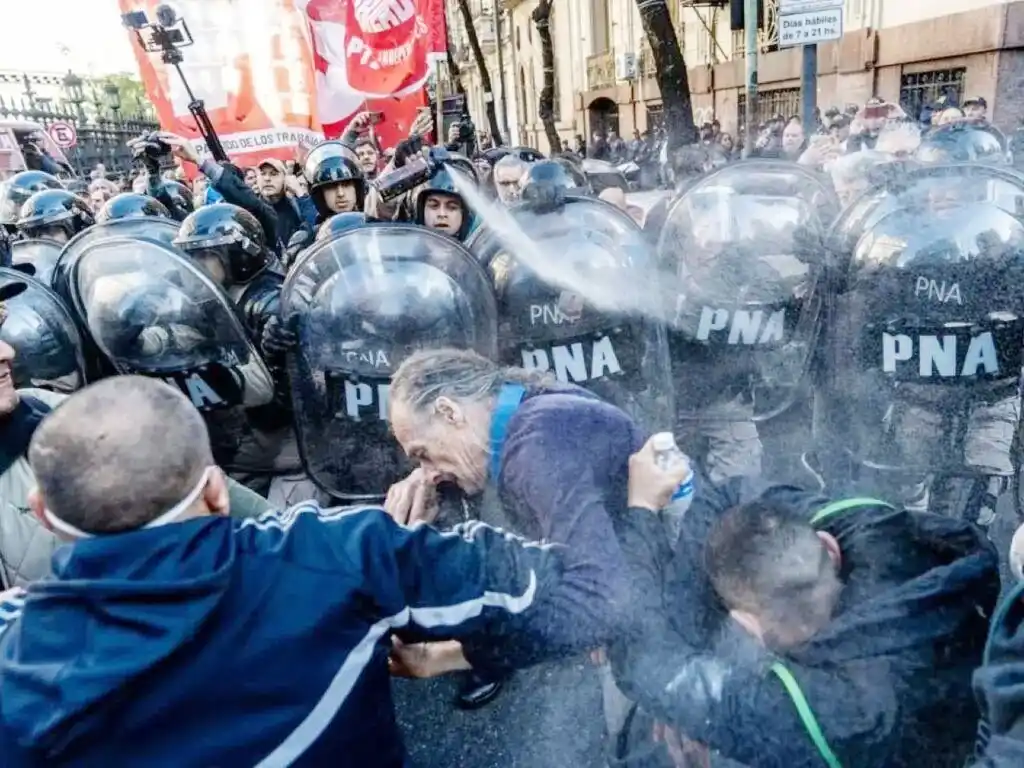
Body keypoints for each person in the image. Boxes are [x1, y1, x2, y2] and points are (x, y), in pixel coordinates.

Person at [0, 374, 611, 766]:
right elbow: (568, 580)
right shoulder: (339, 554)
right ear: (216, 492)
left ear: (43, 513)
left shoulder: (12, 649)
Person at [612, 467, 1000, 768]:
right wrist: (690, 642)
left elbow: (640, 661)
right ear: (829, 549)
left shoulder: (827, 713)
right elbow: (732, 497)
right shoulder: (871, 526)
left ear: (747, 626)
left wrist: (642, 508)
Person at [384, 347, 643, 765]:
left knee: (633, 744)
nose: (427, 472)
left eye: (422, 453)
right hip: (648, 573)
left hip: (663, 616)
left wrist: (446, 656)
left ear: (450, 411)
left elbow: (601, 602)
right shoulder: (530, 407)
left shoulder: (534, 448)